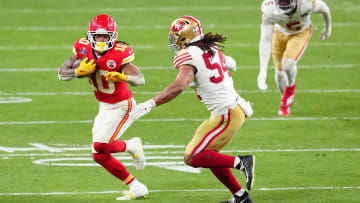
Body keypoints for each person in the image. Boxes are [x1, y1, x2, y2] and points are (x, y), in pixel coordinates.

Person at [133, 16, 255, 203]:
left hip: (226, 114)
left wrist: (150, 103)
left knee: (193, 157)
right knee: (208, 155)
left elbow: (179, 86)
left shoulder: (189, 54)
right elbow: (231, 62)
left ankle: (241, 162)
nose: (174, 41)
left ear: (186, 36)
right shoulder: (209, 46)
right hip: (231, 109)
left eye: (176, 37)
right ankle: (241, 197)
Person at [58, 14, 149, 200]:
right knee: (98, 155)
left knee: (100, 146)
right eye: (98, 36)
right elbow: (61, 74)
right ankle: (136, 185)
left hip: (123, 105)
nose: (101, 40)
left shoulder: (119, 53)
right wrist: (77, 72)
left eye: (105, 36)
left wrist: (123, 77)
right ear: (91, 36)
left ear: (113, 36)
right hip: (104, 105)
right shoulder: (82, 49)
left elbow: (140, 80)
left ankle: (132, 146)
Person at [257, 0, 332, 116]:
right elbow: (265, 39)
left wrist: (328, 28)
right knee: (279, 73)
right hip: (280, 33)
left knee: (287, 63)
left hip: (300, 33)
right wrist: (263, 70)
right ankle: (285, 99)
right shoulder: (269, 7)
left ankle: (291, 85)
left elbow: (325, 9)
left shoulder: (307, 3)